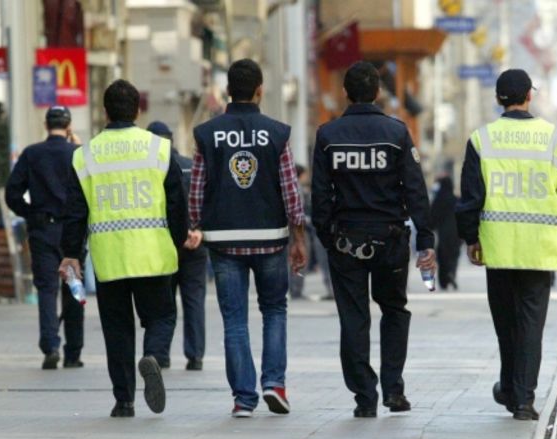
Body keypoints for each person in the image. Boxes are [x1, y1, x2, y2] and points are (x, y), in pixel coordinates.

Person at [455, 69, 557, 421]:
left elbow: (470, 197)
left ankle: (509, 386)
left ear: (498, 98)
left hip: (498, 249)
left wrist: (471, 238)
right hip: (538, 250)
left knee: (506, 325)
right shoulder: (553, 139)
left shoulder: (481, 139)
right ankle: (522, 398)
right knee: (531, 326)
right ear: (529, 96)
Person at [311, 61, 436, 418]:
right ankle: (393, 390)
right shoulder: (396, 133)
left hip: (345, 240)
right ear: (378, 92)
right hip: (391, 240)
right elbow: (415, 189)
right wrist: (425, 238)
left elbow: (321, 196)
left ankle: (365, 397)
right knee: (394, 310)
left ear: (345, 93)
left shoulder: (328, 135)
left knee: (354, 317)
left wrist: (327, 235)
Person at [59, 80, 188, 417]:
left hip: (109, 258)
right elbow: (177, 203)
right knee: (161, 316)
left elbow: (75, 212)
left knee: (117, 330)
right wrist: (179, 241)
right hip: (153, 255)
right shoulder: (158, 149)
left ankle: (124, 401)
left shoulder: (85, 155)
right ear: (138, 110)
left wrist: (71, 253)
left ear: (104, 112)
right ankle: (155, 356)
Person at [186, 59, 307, 418]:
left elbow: (196, 190)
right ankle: (274, 384)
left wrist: (196, 224)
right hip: (270, 238)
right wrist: (298, 236)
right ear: (260, 90)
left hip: (224, 241)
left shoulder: (207, 134)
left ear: (227, 91)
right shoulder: (277, 132)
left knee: (234, 319)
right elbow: (290, 191)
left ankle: (243, 398)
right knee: (274, 310)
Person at [4, 106, 85, 369]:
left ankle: (50, 346)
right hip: (71, 233)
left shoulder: (32, 154)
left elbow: (12, 194)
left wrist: (31, 214)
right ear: (69, 125)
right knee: (73, 290)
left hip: (43, 232)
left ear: (45, 124)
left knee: (47, 290)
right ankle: (73, 352)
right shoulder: (77, 154)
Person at [147, 121, 207, 371]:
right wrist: (199, 231)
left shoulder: (149, 170)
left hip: (165, 244)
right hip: (195, 245)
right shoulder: (191, 167)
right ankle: (195, 356)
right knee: (194, 301)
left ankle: (160, 355)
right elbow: (206, 199)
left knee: (163, 302)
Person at [430, 173, 461, 290]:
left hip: (443, 234)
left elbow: (432, 217)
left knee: (442, 257)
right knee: (454, 256)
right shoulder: (457, 200)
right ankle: (451, 272)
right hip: (457, 233)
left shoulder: (438, 201)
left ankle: (444, 280)